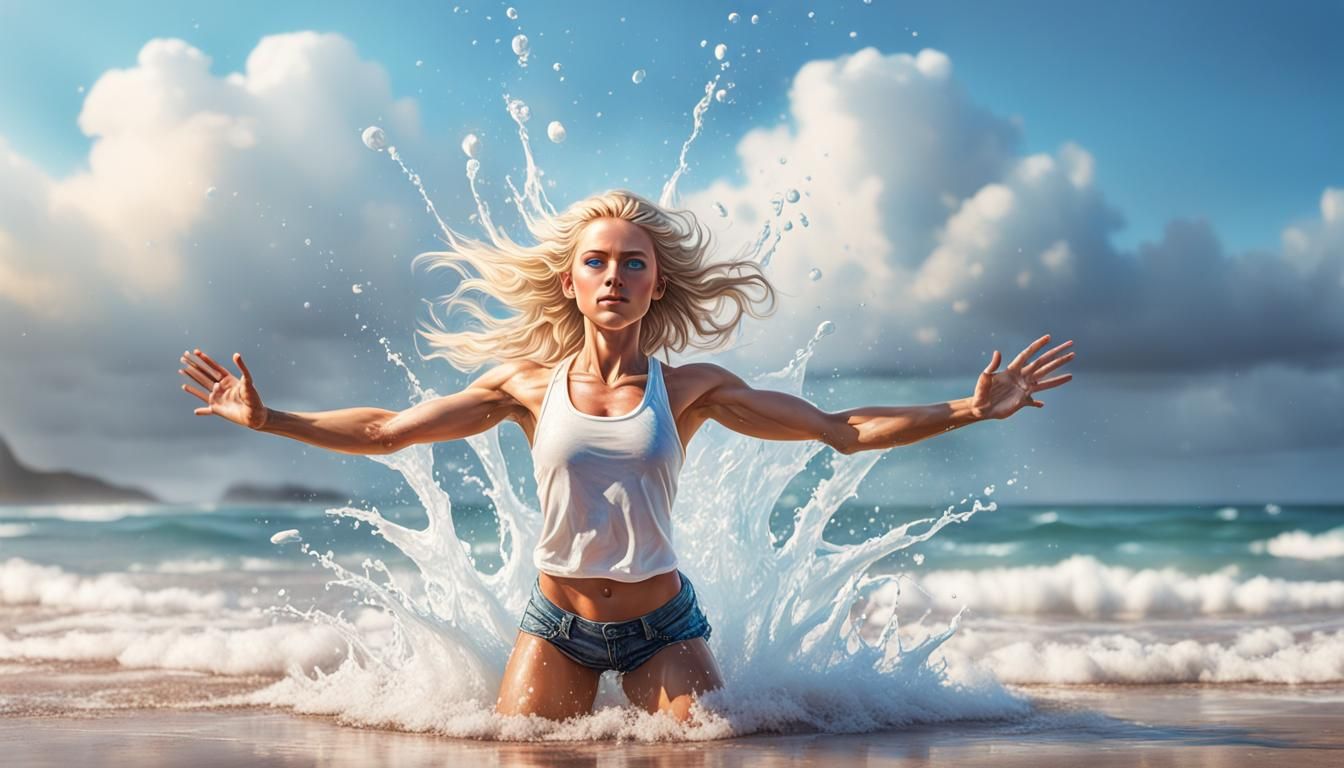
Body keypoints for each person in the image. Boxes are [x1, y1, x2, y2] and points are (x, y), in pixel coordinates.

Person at [177, 189, 1075, 723]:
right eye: (598, 263)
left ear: (656, 281)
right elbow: (385, 431)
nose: (615, 277)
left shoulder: (690, 389)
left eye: (634, 264)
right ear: (571, 281)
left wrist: (968, 408)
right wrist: (269, 419)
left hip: (664, 630)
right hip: (556, 628)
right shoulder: (525, 385)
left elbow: (837, 429)